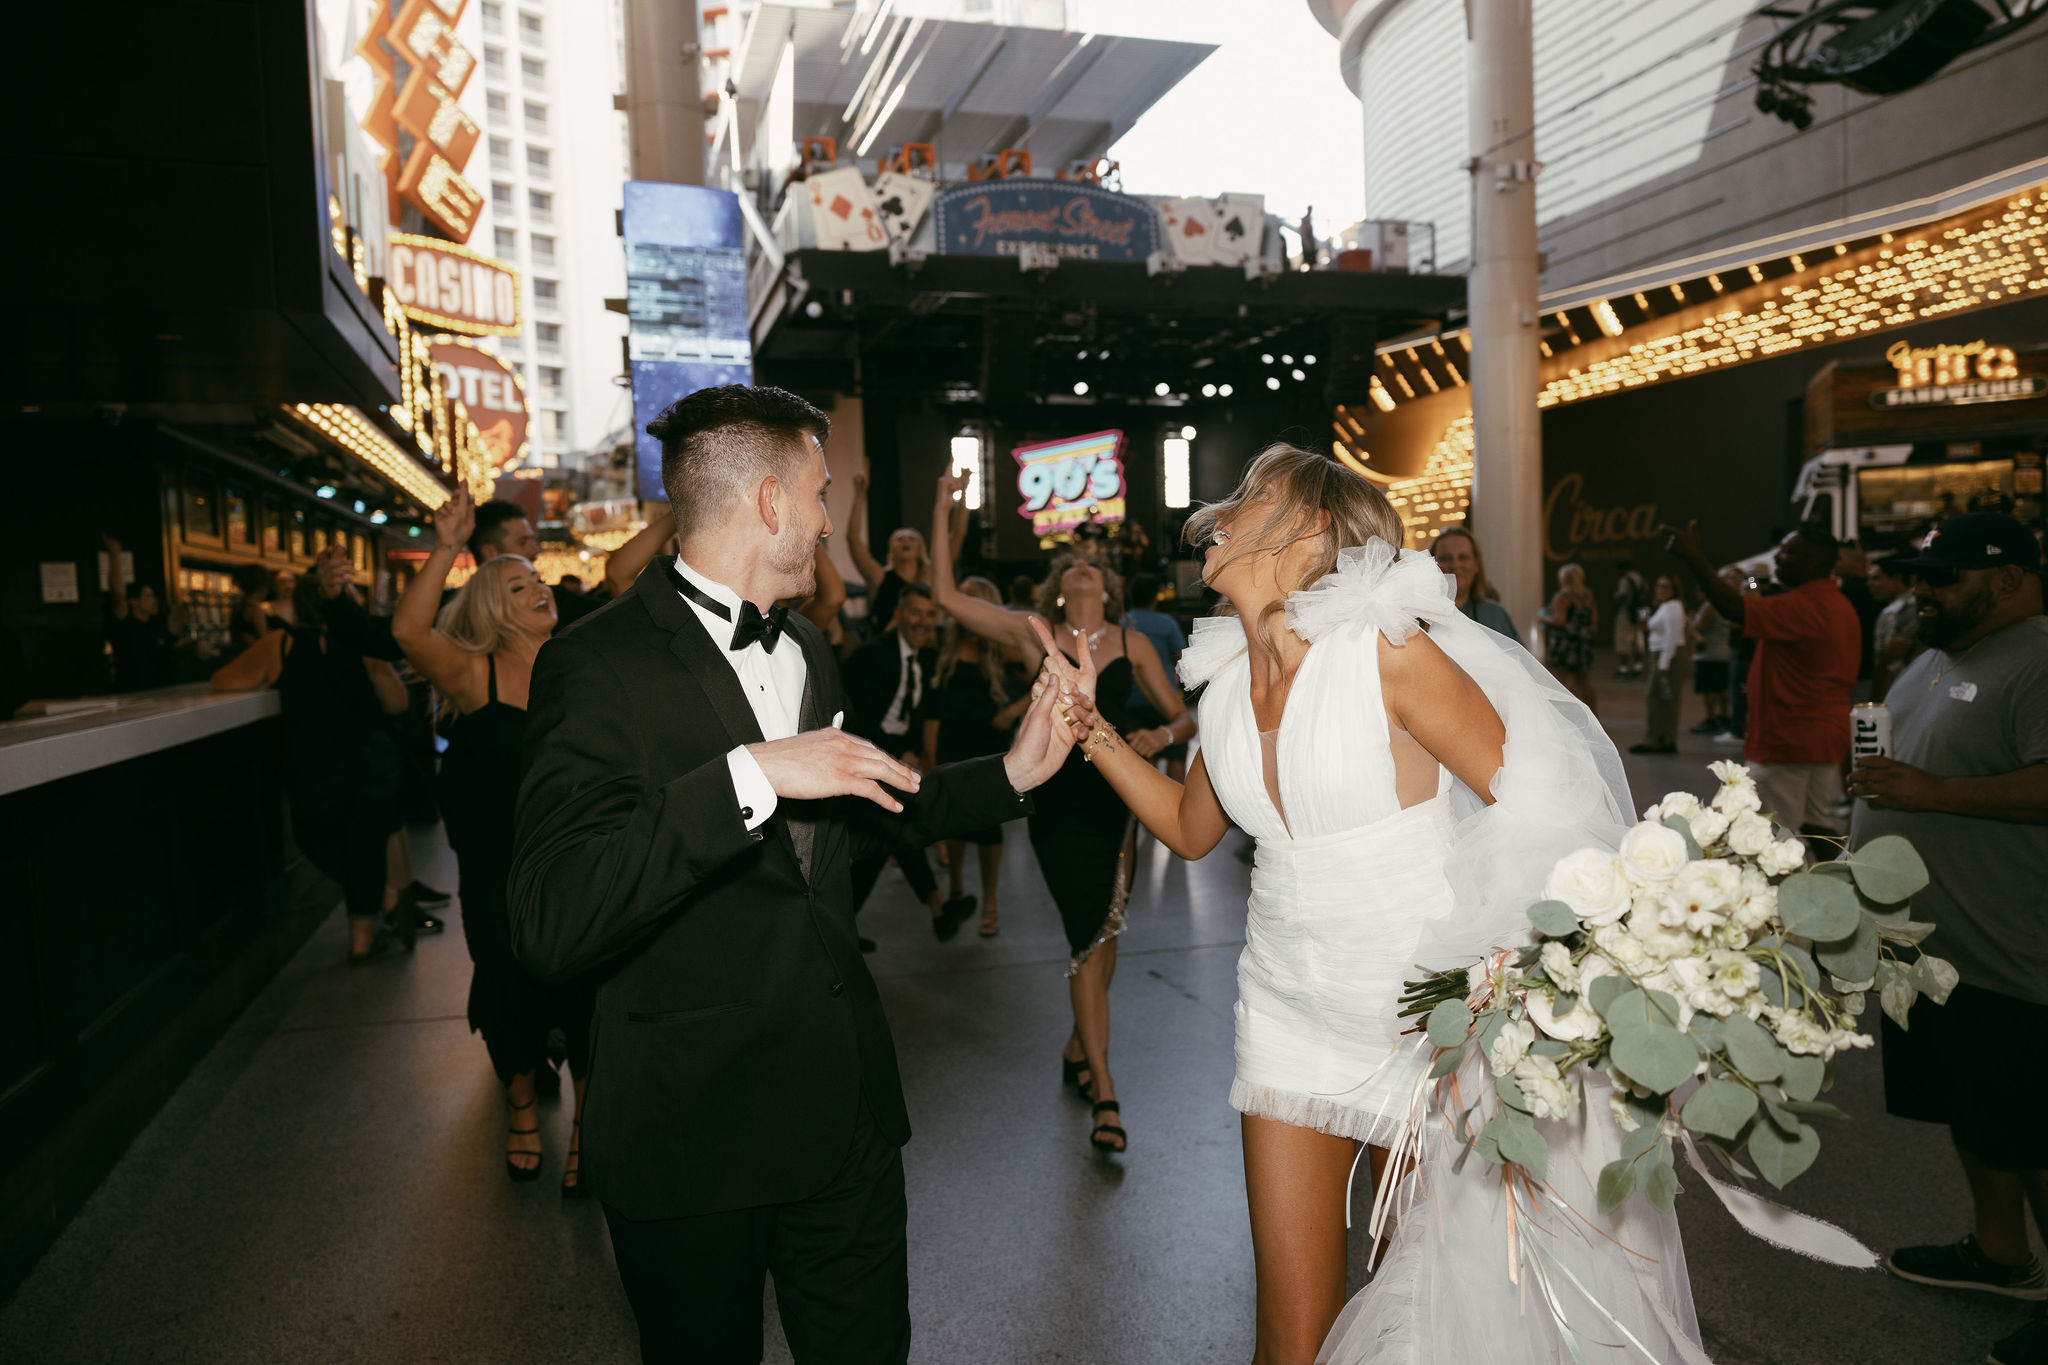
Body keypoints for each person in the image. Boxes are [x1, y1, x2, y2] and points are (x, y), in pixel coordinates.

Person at [1033, 442, 1696, 1365]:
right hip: (1285, 1012)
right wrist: (1091, 730)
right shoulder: (1223, 685)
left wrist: (1522, 974)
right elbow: (1190, 830)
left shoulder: (1387, 655)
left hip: (1419, 1026)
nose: (1219, 513)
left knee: (1417, 1317)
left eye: (1250, 495)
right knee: (1290, 1337)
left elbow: (1539, 804)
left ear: (1307, 528)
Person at [507, 384, 1078, 1364]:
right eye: (817, 495)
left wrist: (1015, 775)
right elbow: (555, 915)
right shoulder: (591, 665)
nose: (825, 521)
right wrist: (750, 774)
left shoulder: (808, 647)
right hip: (692, 1136)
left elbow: (859, 813)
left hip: (842, 1116)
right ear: (769, 501)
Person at [928, 470, 1194, 1154]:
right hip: (1057, 805)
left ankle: (1080, 1043)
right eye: (1067, 565)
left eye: (1089, 566)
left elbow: (1184, 716)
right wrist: (942, 509)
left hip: (1118, 803)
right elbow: (946, 594)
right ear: (1056, 587)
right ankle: (1105, 1088)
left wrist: (1159, 737)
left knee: (1107, 936)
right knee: (1087, 934)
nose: (1079, 568)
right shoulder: (1031, 633)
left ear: (1105, 586)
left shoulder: (1134, 644)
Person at [1844, 514, 2048, 1365]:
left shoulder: (2038, 658)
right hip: (1920, 946)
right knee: (1970, 1111)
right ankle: (2000, 1255)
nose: (1919, 591)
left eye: (1943, 578)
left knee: (2031, 1127)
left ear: (2006, 581)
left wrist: (1928, 793)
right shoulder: (1931, 658)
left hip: (2008, 949)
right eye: (1918, 577)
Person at [392, 486, 595, 1191]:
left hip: (577, 865)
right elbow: (411, 635)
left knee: (585, 989)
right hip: (499, 872)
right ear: (492, 608)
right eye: (519, 585)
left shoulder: (579, 668)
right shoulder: (476, 676)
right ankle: (520, 1108)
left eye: (538, 579)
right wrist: (447, 543)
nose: (539, 587)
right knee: (508, 987)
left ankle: (589, 1122)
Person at [210, 544, 417, 961]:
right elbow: (398, 704)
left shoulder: (279, 645)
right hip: (369, 763)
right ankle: (369, 930)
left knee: (315, 838)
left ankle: (372, 923)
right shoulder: (360, 644)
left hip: (312, 764)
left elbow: (223, 680)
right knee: (365, 845)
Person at [1664, 520, 1860, 848]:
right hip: (1821, 736)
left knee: (1765, 837)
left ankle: (1774, 898)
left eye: (1787, 554)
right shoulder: (1833, 603)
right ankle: (1841, 885)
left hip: (1788, 739)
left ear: (1814, 562)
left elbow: (1732, 607)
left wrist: (1694, 557)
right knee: (1816, 823)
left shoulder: (1805, 605)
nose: (1778, 560)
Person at [843, 582, 964, 938]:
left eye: (929, 614)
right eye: (915, 612)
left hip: (893, 758)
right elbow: (857, 721)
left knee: (883, 844)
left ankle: (843, 929)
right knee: (891, 836)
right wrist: (893, 758)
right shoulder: (871, 657)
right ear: (898, 615)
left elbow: (918, 715)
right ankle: (937, 905)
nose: (923, 621)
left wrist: (911, 750)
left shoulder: (928, 661)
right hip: (862, 757)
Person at [920, 576, 1032, 938]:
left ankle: (990, 904)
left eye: (969, 601)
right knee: (953, 824)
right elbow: (932, 706)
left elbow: (1046, 675)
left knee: (989, 829)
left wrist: (1013, 712)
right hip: (953, 743)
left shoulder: (1001, 648)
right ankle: (955, 890)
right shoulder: (944, 645)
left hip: (989, 746)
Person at [846, 461, 962, 636]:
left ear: (921, 548)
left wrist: (964, 492)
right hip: (885, 649)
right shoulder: (880, 577)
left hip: (926, 647)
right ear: (891, 550)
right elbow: (853, 538)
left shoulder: (931, 575)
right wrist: (860, 495)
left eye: (912, 539)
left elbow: (958, 536)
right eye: (899, 539)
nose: (905, 541)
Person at [469, 499, 603, 630]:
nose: (534, 550)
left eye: (537, 581)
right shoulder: (463, 612)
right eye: (522, 542)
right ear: (490, 553)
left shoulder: (555, 601)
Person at [1122, 572, 1191, 779]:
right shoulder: (1165, 622)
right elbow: (1182, 656)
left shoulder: (1120, 623)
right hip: (1165, 699)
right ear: (1155, 597)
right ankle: (1177, 802)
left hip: (1130, 701)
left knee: (1142, 754)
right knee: (1176, 752)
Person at [1429, 524, 1517, 640]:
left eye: (1463, 557)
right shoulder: (1420, 616)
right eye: (1445, 558)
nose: (1455, 565)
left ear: (1476, 565)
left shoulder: (1495, 615)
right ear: (1431, 565)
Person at [1633, 572, 1688, 754]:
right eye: (1659, 586)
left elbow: (1672, 637)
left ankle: (1655, 739)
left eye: (1666, 587)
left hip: (1667, 656)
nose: (1661, 590)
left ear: (1674, 590)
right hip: (1661, 654)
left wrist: (1664, 663)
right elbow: (1652, 626)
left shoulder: (1673, 607)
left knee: (1656, 697)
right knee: (1663, 698)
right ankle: (1664, 738)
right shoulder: (1665, 606)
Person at [1536, 562, 1598, 709]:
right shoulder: (1587, 595)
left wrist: (1542, 617)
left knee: (1565, 682)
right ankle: (1594, 717)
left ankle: (1571, 716)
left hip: (1565, 644)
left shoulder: (1562, 597)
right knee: (1585, 681)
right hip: (1583, 642)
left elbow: (1559, 620)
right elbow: (1594, 620)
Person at [1688, 567, 1737, 736]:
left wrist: (1691, 622)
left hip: (1709, 654)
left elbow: (1700, 627)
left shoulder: (1710, 605)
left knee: (1709, 689)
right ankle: (1723, 717)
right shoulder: (1725, 603)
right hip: (1722, 652)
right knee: (1721, 688)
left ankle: (1711, 718)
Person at [1869, 552, 1923, 701]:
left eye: (1876, 578)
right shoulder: (1916, 606)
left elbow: (1887, 661)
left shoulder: (1897, 612)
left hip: (1900, 691)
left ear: (1897, 578)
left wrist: (1876, 701)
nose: (1870, 584)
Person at [1612, 557, 1648, 676]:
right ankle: (1639, 666)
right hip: (1642, 612)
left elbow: (1622, 595)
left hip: (1627, 612)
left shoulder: (1625, 579)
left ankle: (1624, 668)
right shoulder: (1641, 578)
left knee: (1623, 640)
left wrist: (1615, 600)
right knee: (1639, 639)